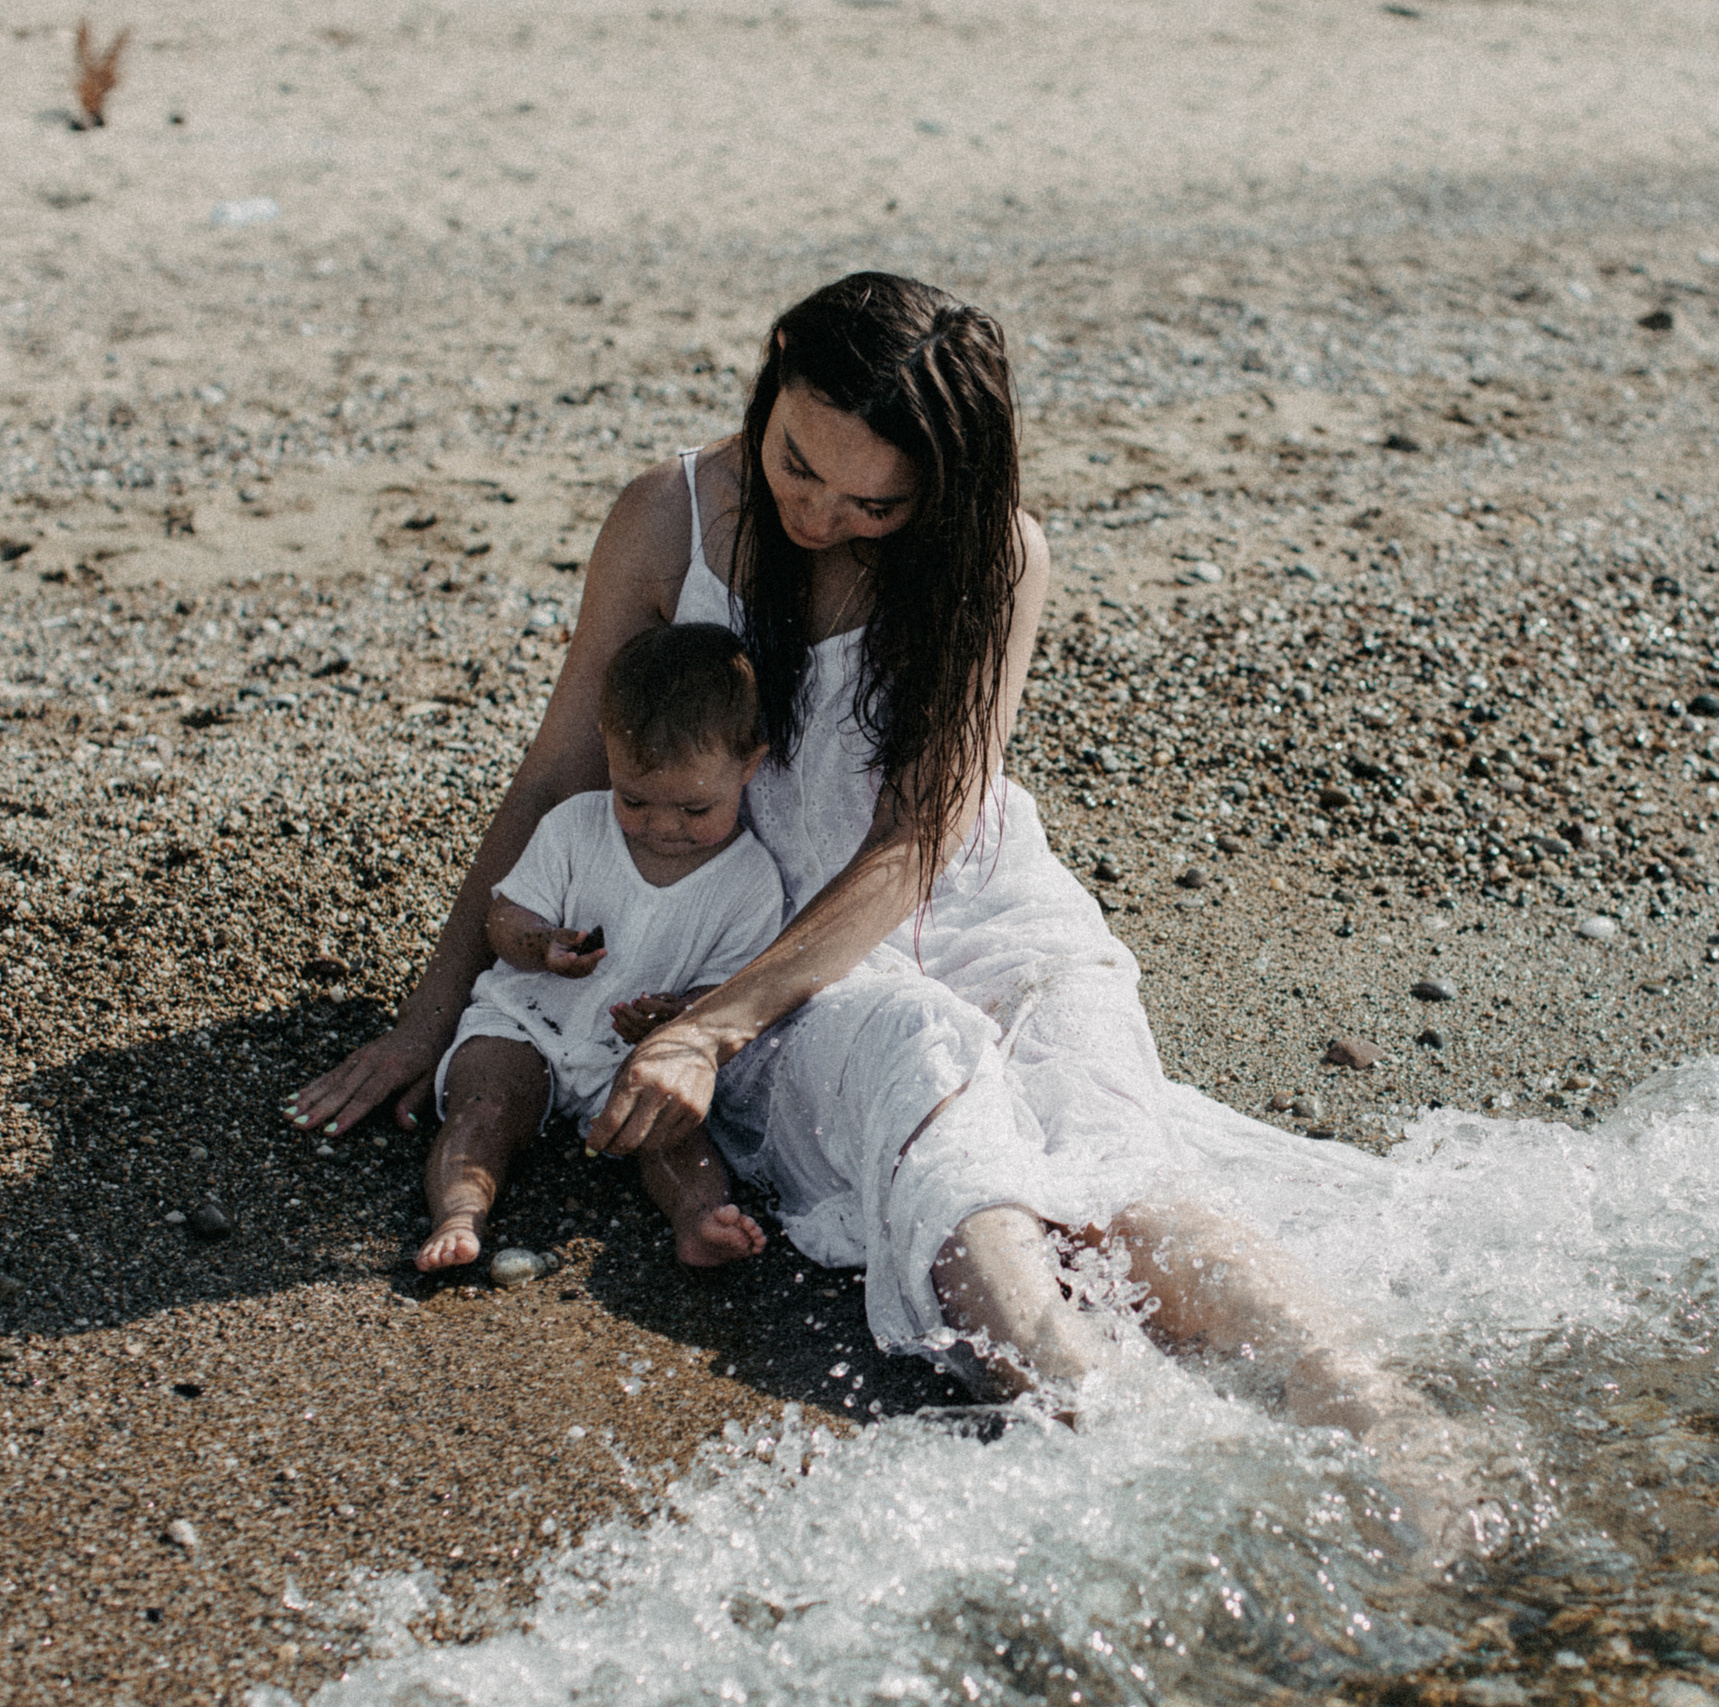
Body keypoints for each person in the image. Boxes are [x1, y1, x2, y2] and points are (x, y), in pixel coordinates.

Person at [289, 273, 1462, 1517]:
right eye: (798, 466)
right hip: (777, 959)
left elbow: (918, 843)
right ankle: (1143, 1458)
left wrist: (707, 1030)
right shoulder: (668, 519)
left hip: (977, 921)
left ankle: (1386, 1421)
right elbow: (563, 772)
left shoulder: (993, 558)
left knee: (1121, 1179)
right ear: (774, 369)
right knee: (947, 1136)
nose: (819, 514)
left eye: (874, 503)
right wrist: (436, 1013)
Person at [413, 622, 785, 1274]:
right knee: (486, 1107)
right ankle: (460, 1212)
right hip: (524, 1021)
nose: (664, 826)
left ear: (749, 764)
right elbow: (503, 920)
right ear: (609, 755)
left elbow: (729, 990)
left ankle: (699, 1217)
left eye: (695, 808)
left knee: (676, 1130)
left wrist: (679, 1016)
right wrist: (541, 944)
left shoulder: (751, 880)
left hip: (633, 1054)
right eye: (635, 799)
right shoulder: (575, 827)